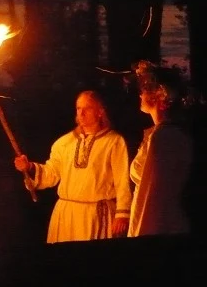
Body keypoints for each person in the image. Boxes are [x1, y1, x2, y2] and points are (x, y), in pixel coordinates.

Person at [14, 90, 132, 243]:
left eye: (87, 108)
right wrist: (29, 167)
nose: (81, 113)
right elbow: (52, 173)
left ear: (100, 112)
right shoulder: (64, 143)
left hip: (96, 215)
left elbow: (122, 181)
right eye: (78, 108)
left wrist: (122, 214)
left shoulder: (114, 142)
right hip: (66, 215)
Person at [128, 62, 193, 237]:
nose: (140, 94)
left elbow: (153, 197)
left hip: (160, 227)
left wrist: (143, 240)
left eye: (146, 88)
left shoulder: (165, 138)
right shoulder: (160, 134)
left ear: (159, 95)